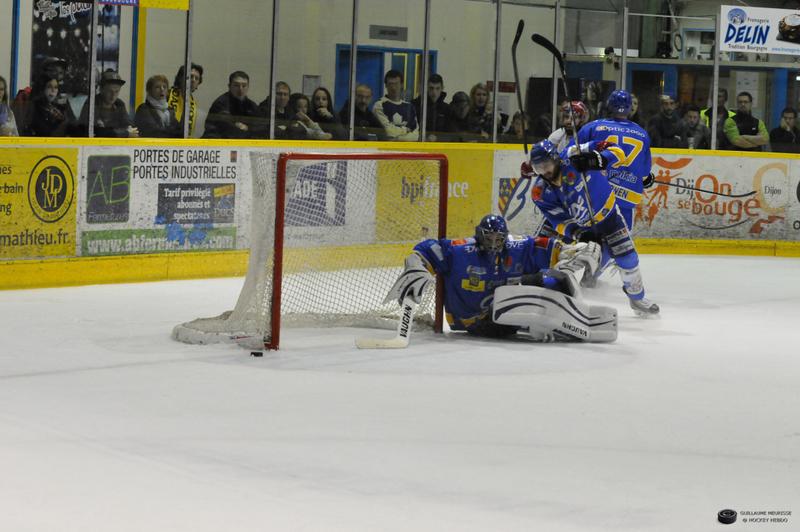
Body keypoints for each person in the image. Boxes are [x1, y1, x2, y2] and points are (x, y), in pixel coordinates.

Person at [385, 214, 615, 341]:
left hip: (505, 309)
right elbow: (428, 249)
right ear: (479, 235)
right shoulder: (461, 251)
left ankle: (572, 318)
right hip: (473, 321)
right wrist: (416, 264)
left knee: (550, 279)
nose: (494, 243)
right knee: (510, 296)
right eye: (489, 238)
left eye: (498, 238)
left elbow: (551, 247)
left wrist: (575, 251)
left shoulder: (517, 247)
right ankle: (541, 323)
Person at [523, 139, 659, 317]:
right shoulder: (539, 192)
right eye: (539, 168)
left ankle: (637, 299)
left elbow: (617, 150)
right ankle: (537, 292)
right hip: (579, 226)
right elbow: (558, 220)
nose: (545, 172)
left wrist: (597, 159)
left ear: (556, 159)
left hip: (609, 218)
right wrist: (578, 234)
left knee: (628, 259)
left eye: (546, 165)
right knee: (546, 253)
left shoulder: (573, 153)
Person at [575, 90, 653, 233]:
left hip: (597, 194)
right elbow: (644, 172)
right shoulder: (642, 134)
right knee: (621, 242)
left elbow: (573, 155)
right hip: (627, 197)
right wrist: (647, 179)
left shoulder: (592, 127)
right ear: (629, 107)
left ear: (609, 105)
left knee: (590, 239)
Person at [203, 71, 265, 139]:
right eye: (236, 85)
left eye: (244, 86)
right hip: (217, 142)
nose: (240, 89)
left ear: (248, 87)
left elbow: (262, 127)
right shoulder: (221, 103)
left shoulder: (251, 106)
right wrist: (247, 129)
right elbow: (227, 128)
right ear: (229, 86)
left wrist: (248, 128)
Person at [78, 70, 138, 138]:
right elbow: (95, 132)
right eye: (110, 91)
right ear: (101, 89)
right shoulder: (91, 103)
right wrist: (124, 133)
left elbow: (131, 128)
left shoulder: (119, 104)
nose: (113, 95)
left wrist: (117, 132)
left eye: (117, 91)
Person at [373, 69, 419, 141]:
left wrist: (397, 138)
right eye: (390, 84)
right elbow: (388, 132)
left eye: (396, 84)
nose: (393, 88)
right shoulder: (379, 105)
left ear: (402, 85)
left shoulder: (409, 107)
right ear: (386, 85)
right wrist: (406, 130)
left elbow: (415, 135)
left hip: (408, 147)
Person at [412, 73, 452, 142]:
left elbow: (450, 134)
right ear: (426, 88)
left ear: (442, 88)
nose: (434, 92)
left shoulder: (447, 109)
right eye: (431, 88)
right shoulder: (416, 105)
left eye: (437, 88)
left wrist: (438, 138)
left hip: (440, 145)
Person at [167, 63, 203, 137]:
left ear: (197, 85)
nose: (193, 80)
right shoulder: (166, 95)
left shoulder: (194, 106)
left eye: (196, 78)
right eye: (190, 76)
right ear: (180, 78)